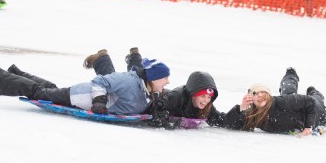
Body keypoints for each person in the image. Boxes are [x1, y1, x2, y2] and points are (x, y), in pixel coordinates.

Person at [0, 56, 171, 116]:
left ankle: (17, 73)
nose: (168, 82)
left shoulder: (146, 90)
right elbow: (100, 82)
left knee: (50, 88)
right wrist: (99, 101)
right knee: (39, 93)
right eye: (165, 78)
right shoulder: (129, 81)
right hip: (80, 98)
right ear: (153, 78)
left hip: (80, 97)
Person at [83, 47, 225, 128]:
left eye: (208, 97)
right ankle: (104, 60)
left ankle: (130, 58)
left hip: (147, 94)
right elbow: (158, 106)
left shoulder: (206, 106)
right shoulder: (176, 97)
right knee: (119, 83)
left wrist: (242, 112)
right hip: (146, 99)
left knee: (135, 78)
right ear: (193, 94)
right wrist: (161, 119)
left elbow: (221, 119)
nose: (206, 100)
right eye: (203, 96)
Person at [221, 68, 326, 136]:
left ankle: (306, 86)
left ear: (269, 95)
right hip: (291, 104)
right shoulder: (254, 115)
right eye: (255, 94)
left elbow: (310, 102)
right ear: (251, 100)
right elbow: (229, 124)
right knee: (289, 93)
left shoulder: (285, 102)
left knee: (315, 98)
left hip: (318, 113)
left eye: (263, 93)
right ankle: (291, 76)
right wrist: (240, 108)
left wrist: (308, 127)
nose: (259, 96)